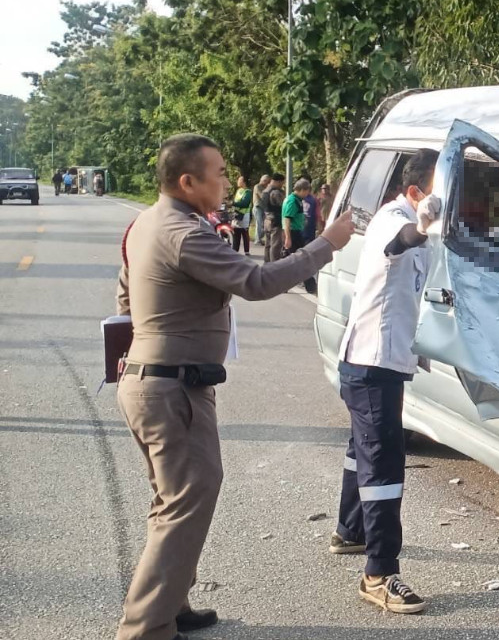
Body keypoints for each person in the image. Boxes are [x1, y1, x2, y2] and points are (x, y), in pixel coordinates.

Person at [114, 134, 354, 640]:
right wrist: (327, 244)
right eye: (218, 173)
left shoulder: (148, 224)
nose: (226, 181)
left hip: (152, 381)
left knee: (171, 500)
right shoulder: (183, 232)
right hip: (171, 387)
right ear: (188, 181)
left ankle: (172, 602)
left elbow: (124, 296)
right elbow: (259, 282)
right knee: (184, 503)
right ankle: (145, 628)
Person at [329, 148, 441, 614]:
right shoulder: (392, 220)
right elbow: (400, 242)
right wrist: (423, 222)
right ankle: (379, 573)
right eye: (438, 193)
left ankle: (350, 532)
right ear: (415, 192)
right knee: (384, 464)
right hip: (371, 365)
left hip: (380, 363)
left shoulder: (426, 232)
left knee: (363, 451)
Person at [282, 179, 315, 294]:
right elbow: (287, 219)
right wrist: (288, 237)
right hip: (293, 233)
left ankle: (283, 284)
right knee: (301, 259)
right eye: (306, 191)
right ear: (301, 190)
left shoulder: (297, 200)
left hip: (296, 232)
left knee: (294, 260)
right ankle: (311, 287)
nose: (307, 194)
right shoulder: (292, 201)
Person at [261, 174, 286, 263]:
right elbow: (282, 206)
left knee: (268, 245)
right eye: (282, 183)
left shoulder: (265, 191)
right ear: (278, 181)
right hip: (275, 220)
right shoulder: (276, 192)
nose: (282, 185)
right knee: (275, 246)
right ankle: (274, 267)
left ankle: (266, 265)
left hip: (267, 220)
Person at [229, 175, 252, 254]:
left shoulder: (248, 192)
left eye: (240, 180)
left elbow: (245, 203)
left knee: (244, 232)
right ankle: (235, 250)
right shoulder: (238, 191)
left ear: (244, 182)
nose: (238, 181)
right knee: (236, 232)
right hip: (236, 214)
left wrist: (233, 203)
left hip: (244, 214)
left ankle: (246, 251)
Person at [301, 176, 320, 246]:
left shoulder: (314, 200)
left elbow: (317, 215)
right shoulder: (293, 198)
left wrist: (319, 228)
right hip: (296, 232)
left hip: (309, 232)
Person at [252, 174, 270, 244]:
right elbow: (262, 196)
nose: (267, 183)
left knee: (263, 224)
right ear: (263, 180)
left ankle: (259, 237)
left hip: (263, 208)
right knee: (259, 223)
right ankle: (257, 239)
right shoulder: (257, 186)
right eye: (267, 181)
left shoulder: (265, 187)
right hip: (258, 207)